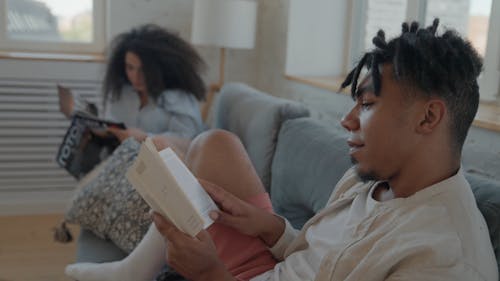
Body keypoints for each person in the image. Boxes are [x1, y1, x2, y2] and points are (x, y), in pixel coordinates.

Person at [65, 19, 498, 281]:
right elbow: (322, 257)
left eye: (366, 105)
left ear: (429, 118)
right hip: (265, 270)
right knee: (213, 146)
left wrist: (211, 274)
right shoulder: (372, 178)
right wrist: (270, 227)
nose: (347, 121)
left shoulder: (443, 261)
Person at [59, 23, 207, 142]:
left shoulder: (179, 97)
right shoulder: (122, 93)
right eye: (130, 67)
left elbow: (186, 142)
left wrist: (145, 138)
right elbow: (113, 127)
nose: (136, 77)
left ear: (158, 69)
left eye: (143, 70)